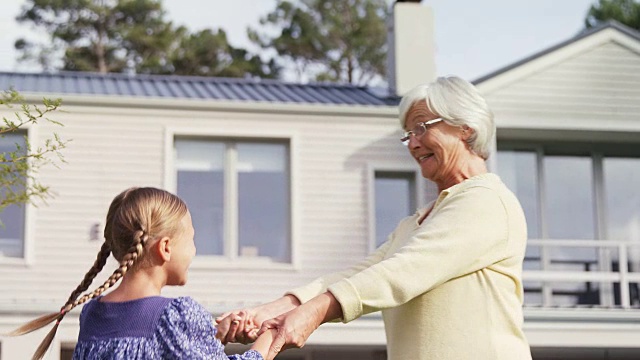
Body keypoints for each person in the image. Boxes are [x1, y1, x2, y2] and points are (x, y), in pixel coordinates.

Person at [216, 76, 532, 360]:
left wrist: (313, 314)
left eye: (421, 127)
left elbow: (402, 273)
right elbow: (356, 275)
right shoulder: (415, 224)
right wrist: (264, 313)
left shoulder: (487, 200)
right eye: (408, 134)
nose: (413, 143)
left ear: (466, 127)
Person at [8, 187, 275, 360]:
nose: (195, 250)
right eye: (192, 239)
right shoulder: (177, 314)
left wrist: (211, 334)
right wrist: (268, 340)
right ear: (166, 248)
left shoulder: (92, 314)